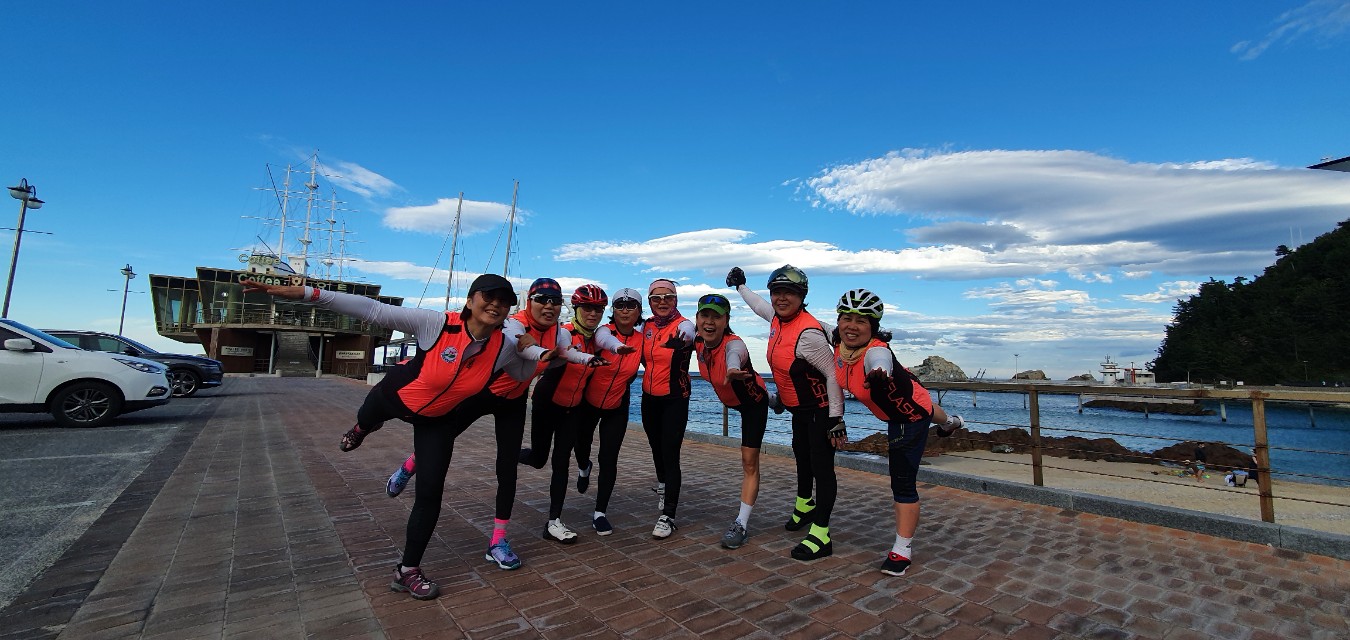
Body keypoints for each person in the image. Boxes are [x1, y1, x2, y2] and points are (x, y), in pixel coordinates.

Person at [240, 274, 542, 601]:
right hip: (394, 397)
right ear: (470, 300)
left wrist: (533, 353)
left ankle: (407, 570)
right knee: (365, 419)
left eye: (504, 301)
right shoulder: (436, 324)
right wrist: (306, 294)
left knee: (430, 493)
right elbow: (374, 310)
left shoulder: (504, 346)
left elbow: (523, 373)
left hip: (437, 419)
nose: (496, 304)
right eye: (489, 296)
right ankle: (361, 430)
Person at [384, 277, 572, 572]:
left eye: (556, 301)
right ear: (529, 302)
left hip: (513, 402)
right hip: (483, 393)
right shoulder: (514, 323)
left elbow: (564, 356)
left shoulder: (559, 333)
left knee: (507, 471)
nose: (549, 306)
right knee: (442, 440)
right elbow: (518, 341)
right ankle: (409, 466)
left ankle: (497, 541)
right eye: (542, 300)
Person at [831, 288, 965, 576]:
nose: (852, 326)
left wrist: (880, 372)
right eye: (846, 318)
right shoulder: (839, 342)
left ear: (873, 327)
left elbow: (879, 358)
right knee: (928, 406)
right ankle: (951, 422)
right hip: (914, 394)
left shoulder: (875, 351)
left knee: (902, 482)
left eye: (861, 321)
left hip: (907, 416)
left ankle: (902, 550)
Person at [727, 265, 846, 561]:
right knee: (802, 458)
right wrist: (740, 286)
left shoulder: (809, 334)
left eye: (789, 293)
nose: (781, 298)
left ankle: (821, 533)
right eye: (776, 292)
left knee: (822, 468)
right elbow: (758, 305)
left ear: (801, 296)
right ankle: (805, 506)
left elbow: (834, 375)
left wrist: (836, 419)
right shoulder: (777, 319)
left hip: (820, 411)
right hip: (799, 410)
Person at [519, 285, 611, 544]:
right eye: (587, 308)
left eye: (598, 309)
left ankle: (553, 522)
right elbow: (535, 350)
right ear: (576, 309)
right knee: (539, 459)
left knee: (561, 462)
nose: (593, 314)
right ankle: (511, 454)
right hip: (547, 404)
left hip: (573, 409)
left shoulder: (599, 340)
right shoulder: (562, 333)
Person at [692, 292, 773, 550]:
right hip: (731, 400)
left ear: (726, 321)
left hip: (752, 405)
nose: (710, 322)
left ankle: (741, 524)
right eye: (705, 315)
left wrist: (731, 368)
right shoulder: (697, 341)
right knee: (758, 391)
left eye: (717, 317)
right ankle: (776, 398)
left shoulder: (734, 344)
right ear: (697, 318)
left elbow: (734, 353)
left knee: (749, 462)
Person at [574, 288, 645, 535]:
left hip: (617, 405)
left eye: (631, 306)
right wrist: (617, 348)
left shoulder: (642, 339)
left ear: (639, 311)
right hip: (588, 402)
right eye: (619, 306)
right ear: (613, 311)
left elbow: (657, 361)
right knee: (580, 446)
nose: (625, 311)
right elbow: (605, 341)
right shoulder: (603, 332)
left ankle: (600, 512)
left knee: (609, 457)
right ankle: (584, 467)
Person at [640, 278, 697, 539]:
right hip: (649, 398)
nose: (662, 302)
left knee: (670, 453)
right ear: (650, 301)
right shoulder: (646, 326)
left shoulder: (683, 324)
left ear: (676, 300)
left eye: (668, 297)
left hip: (675, 398)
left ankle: (669, 516)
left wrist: (683, 340)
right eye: (656, 298)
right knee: (656, 448)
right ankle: (663, 485)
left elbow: (689, 333)